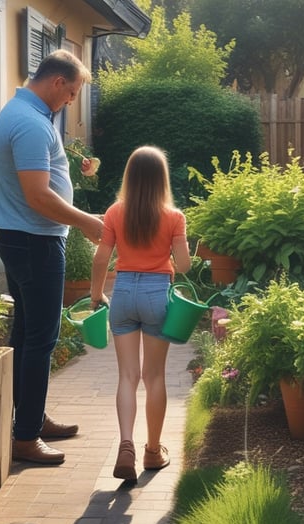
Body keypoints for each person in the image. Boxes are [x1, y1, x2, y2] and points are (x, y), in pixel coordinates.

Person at [0, 49, 104, 465]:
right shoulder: (30, 123)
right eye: (72, 92)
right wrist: (87, 223)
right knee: (41, 338)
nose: (72, 101)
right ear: (57, 82)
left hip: (22, 237)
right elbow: (38, 196)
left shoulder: (24, 114)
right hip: (35, 240)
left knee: (25, 335)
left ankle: (30, 420)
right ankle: (25, 438)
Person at [89, 146, 192, 481]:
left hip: (122, 294)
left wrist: (95, 293)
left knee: (127, 377)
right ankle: (152, 450)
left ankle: (126, 445)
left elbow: (101, 257)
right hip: (156, 294)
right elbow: (186, 265)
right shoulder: (174, 217)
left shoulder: (116, 212)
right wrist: (177, 248)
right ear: (162, 179)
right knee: (154, 377)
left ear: (129, 177)